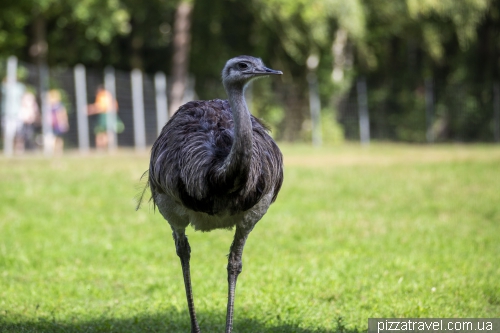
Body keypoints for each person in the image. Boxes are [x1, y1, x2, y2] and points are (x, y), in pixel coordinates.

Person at [87, 85, 124, 149]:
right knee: (109, 132)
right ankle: (110, 148)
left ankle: (102, 148)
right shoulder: (110, 95)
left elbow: (100, 107)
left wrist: (90, 109)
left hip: (104, 116)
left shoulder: (102, 95)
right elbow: (115, 107)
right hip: (111, 115)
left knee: (101, 133)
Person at [47, 89, 69, 153]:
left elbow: (63, 114)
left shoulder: (59, 106)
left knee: (59, 138)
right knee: (53, 138)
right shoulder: (50, 106)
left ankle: (59, 150)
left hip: (58, 124)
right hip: (52, 125)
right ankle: (54, 150)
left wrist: (64, 122)